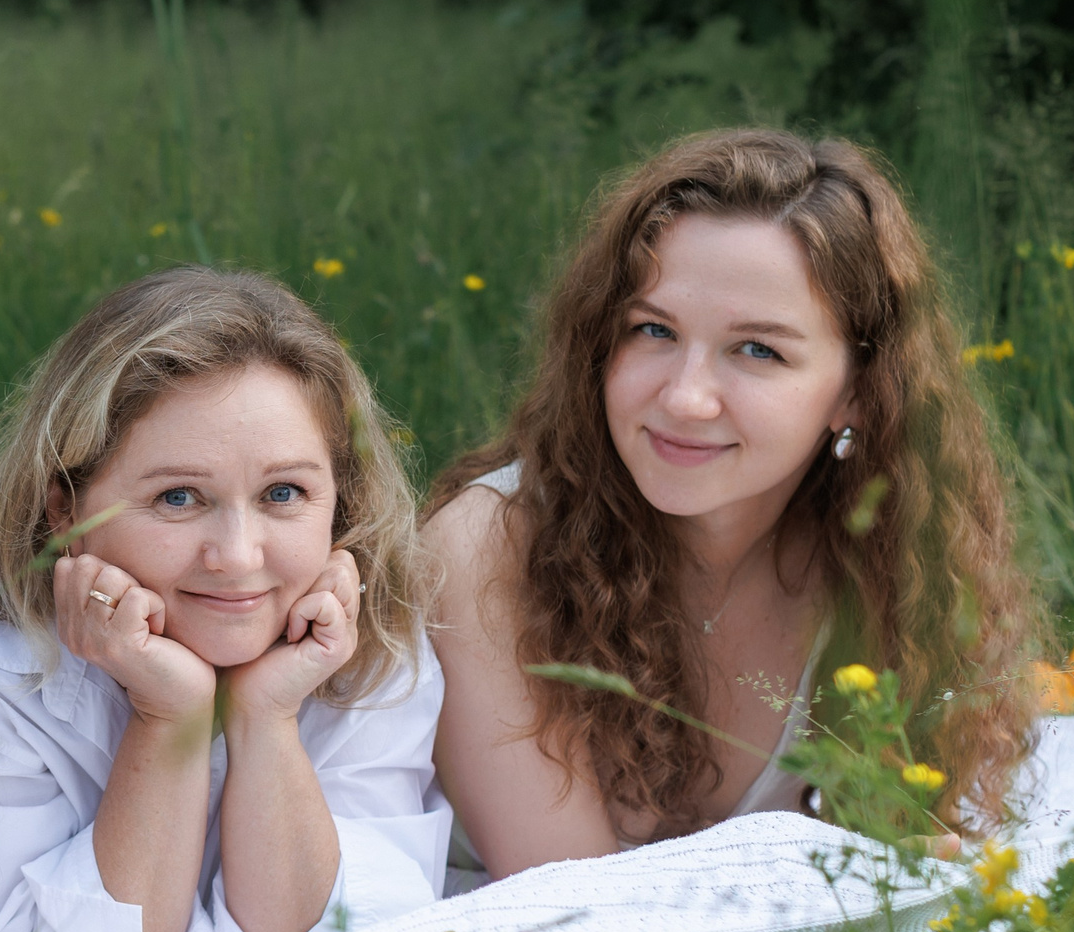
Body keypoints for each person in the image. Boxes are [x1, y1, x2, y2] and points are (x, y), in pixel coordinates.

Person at [426, 129, 1037, 876]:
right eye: (652, 330)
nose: (684, 397)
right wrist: (846, 883)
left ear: (855, 392)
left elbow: (892, 843)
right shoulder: (487, 548)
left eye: (758, 350)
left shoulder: (878, 562)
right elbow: (573, 921)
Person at [0, 266, 450, 932]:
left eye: (284, 495)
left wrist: (268, 716)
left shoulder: (367, 643)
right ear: (64, 509)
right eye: (178, 498)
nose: (239, 556)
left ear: (339, 497)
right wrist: (168, 717)